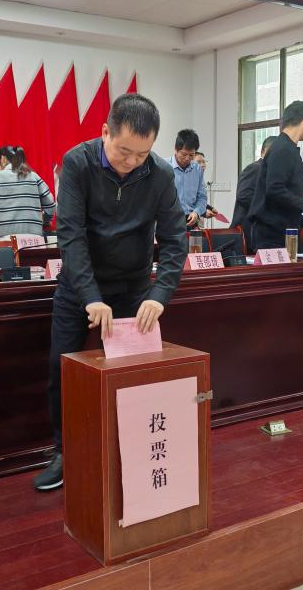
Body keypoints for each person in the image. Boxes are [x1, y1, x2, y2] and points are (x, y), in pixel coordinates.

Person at [34, 93, 186, 491]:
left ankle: (132, 452)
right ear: (105, 132)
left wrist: (158, 295)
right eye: (124, 151)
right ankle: (64, 452)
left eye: (142, 154)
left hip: (134, 290)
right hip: (79, 287)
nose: (132, 162)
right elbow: (71, 234)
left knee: (135, 375)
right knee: (61, 369)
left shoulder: (160, 174)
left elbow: (175, 240)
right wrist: (90, 296)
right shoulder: (77, 163)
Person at [247, 100, 303, 250]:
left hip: (282, 230)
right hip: (272, 235)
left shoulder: (286, 148)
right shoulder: (283, 149)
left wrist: (302, 221)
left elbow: (283, 199)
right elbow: (274, 189)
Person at [0, 146, 56, 238]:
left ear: (3, 159)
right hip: (34, 240)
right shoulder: (34, 177)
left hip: (6, 240)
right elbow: (51, 205)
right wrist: (45, 221)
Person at [231, 136, 273, 252]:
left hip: (260, 233)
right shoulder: (255, 168)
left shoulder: (271, 172)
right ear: (263, 151)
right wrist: (267, 210)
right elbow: (243, 195)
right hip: (247, 231)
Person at [166, 129, 207, 229]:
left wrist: (197, 212)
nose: (187, 158)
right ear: (176, 150)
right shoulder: (164, 167)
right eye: (184, 154)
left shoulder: (197, 169)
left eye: (191, 155)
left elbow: (202, 197)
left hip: (191, 220)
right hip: (168, 221)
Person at [194, 151, 217, 219]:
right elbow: (189, 202)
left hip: (197, 216)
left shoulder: (200, 180)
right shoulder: (190, 180)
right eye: (198, 162)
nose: (202, 165)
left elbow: (199, 199)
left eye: (203, 162)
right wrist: (204, 213)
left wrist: (210, 208)